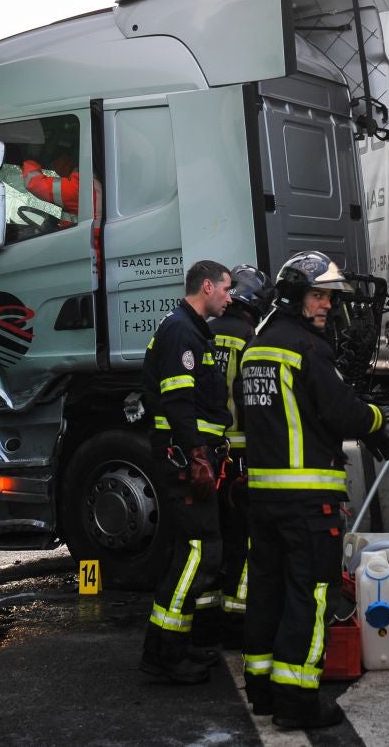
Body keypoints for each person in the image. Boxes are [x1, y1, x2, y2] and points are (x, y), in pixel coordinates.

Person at [240, 251, 389, 729]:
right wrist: (374, 422)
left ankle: (264, 692)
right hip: (307, 501)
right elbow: (340, 410)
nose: (327, 305)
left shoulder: (257, 349)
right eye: (318, 296)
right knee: (309, 595)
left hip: (264, 499)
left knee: (266, 593)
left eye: (329, 297)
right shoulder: (308, 348)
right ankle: (297, 703)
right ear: (293, 297)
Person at [139, 259, 234, 685]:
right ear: (208, 286)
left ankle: (172, 646)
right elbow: (178, 403)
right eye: (227, 289)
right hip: (184, 460)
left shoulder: (191, 330)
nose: (230, 298)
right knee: (199, 550)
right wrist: (196, 455)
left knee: (190, 551)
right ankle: (167, 655)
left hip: (189, 457)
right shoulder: (182, 331)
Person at [206, 264, 273, 650]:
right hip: (242, 456)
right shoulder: (251, 339)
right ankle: (238, 616)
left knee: (210, 537)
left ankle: (208, 615)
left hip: (207, 454)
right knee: (244, 540)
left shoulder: (203, 332)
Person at [21, 139, 79, 228]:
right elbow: (68, 170)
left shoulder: (81, 188)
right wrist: (50, 154)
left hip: (78, 239)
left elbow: (35, 184)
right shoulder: (88, 181)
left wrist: (32, 156)